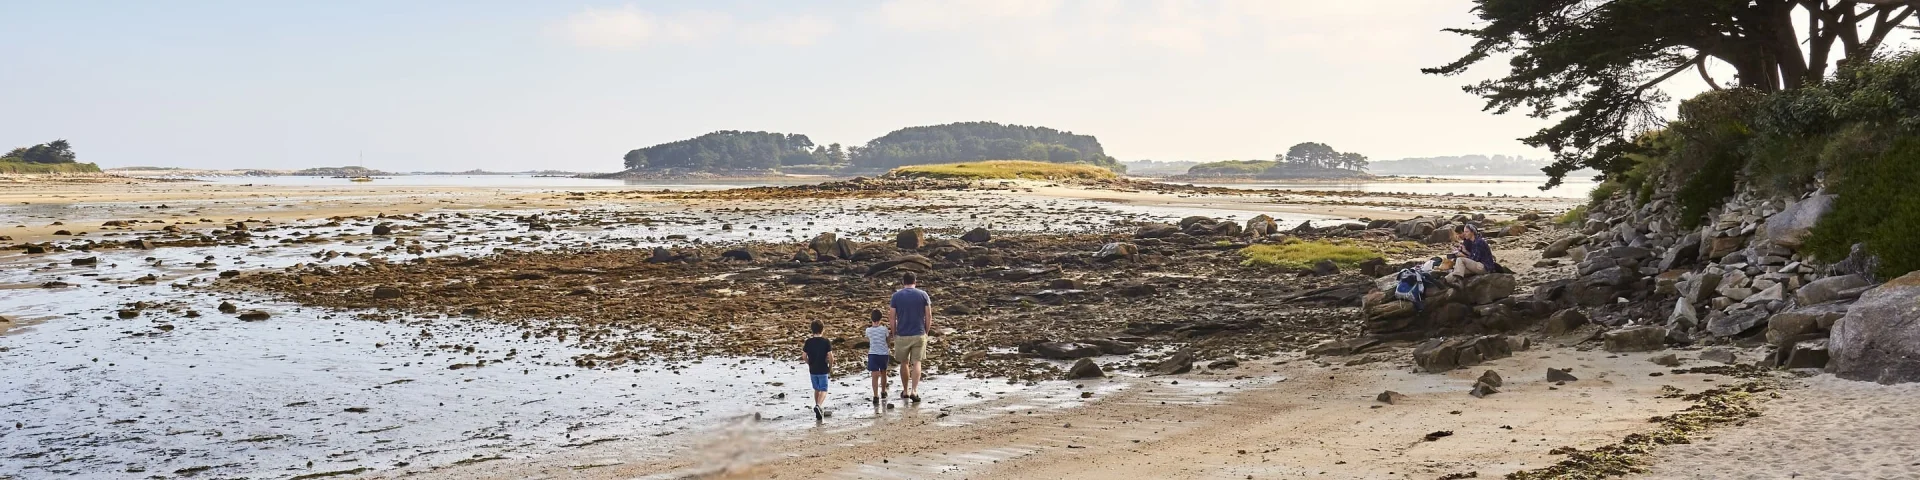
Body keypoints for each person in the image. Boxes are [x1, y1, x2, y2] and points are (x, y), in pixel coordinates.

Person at [887, 272, 931, 403]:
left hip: (902, 334)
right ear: (915, 281)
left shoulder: (896, 296)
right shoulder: (923, 295)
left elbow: (892, 317)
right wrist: (926, 331)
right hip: (919, 333)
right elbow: (928, 315)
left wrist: (894, 332)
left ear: (903, 282)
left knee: (904, 362)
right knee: (917, 362)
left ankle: (905, 390)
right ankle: (914, 390)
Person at [801, 320, 833, 421]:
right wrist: (830, 367)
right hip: (822, 368)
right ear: (822, 329)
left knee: (816, 389)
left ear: (812, 330)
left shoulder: (808, 342)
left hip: (813, 369)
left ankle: (817, 408)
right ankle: (818, 405)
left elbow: (804, 356)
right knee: (824, 389)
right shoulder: (826, 341)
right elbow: (831, 357)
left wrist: (809, 363)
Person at [864, 310, 892, 407]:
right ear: (880, 319)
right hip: (883, 354)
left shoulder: (868, 330)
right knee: (883, 372)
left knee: (874, 375)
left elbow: (868, 338)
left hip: (873, 354)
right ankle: (883, 391)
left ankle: (875, 396)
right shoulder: (884, 329)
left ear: (871, 319)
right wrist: (887, 345)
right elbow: (888, 339)